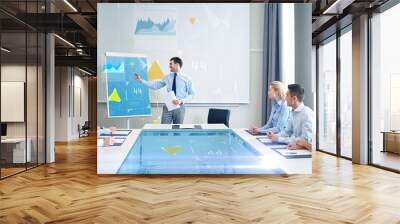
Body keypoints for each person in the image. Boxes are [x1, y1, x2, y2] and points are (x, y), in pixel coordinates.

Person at [134, 57, 194, 124]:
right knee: (164, 128)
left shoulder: (186, 79)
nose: (169, 66)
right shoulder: (167, 77)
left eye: (171, 64)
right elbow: (156, 85)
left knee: (177, 130)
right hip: (168, 106)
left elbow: (192, 94)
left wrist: (181, 101)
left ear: (177, 64)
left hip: (180, 107)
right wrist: (141, 80)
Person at [267, 84, 314, 150]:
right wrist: (276, 136)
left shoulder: (307, 114)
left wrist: (279, 139)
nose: (285, 98)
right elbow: (286, 132)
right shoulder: (293, 112)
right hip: (295, 147)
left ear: (294, 98)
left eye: (287, 95)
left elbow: (304, 140)